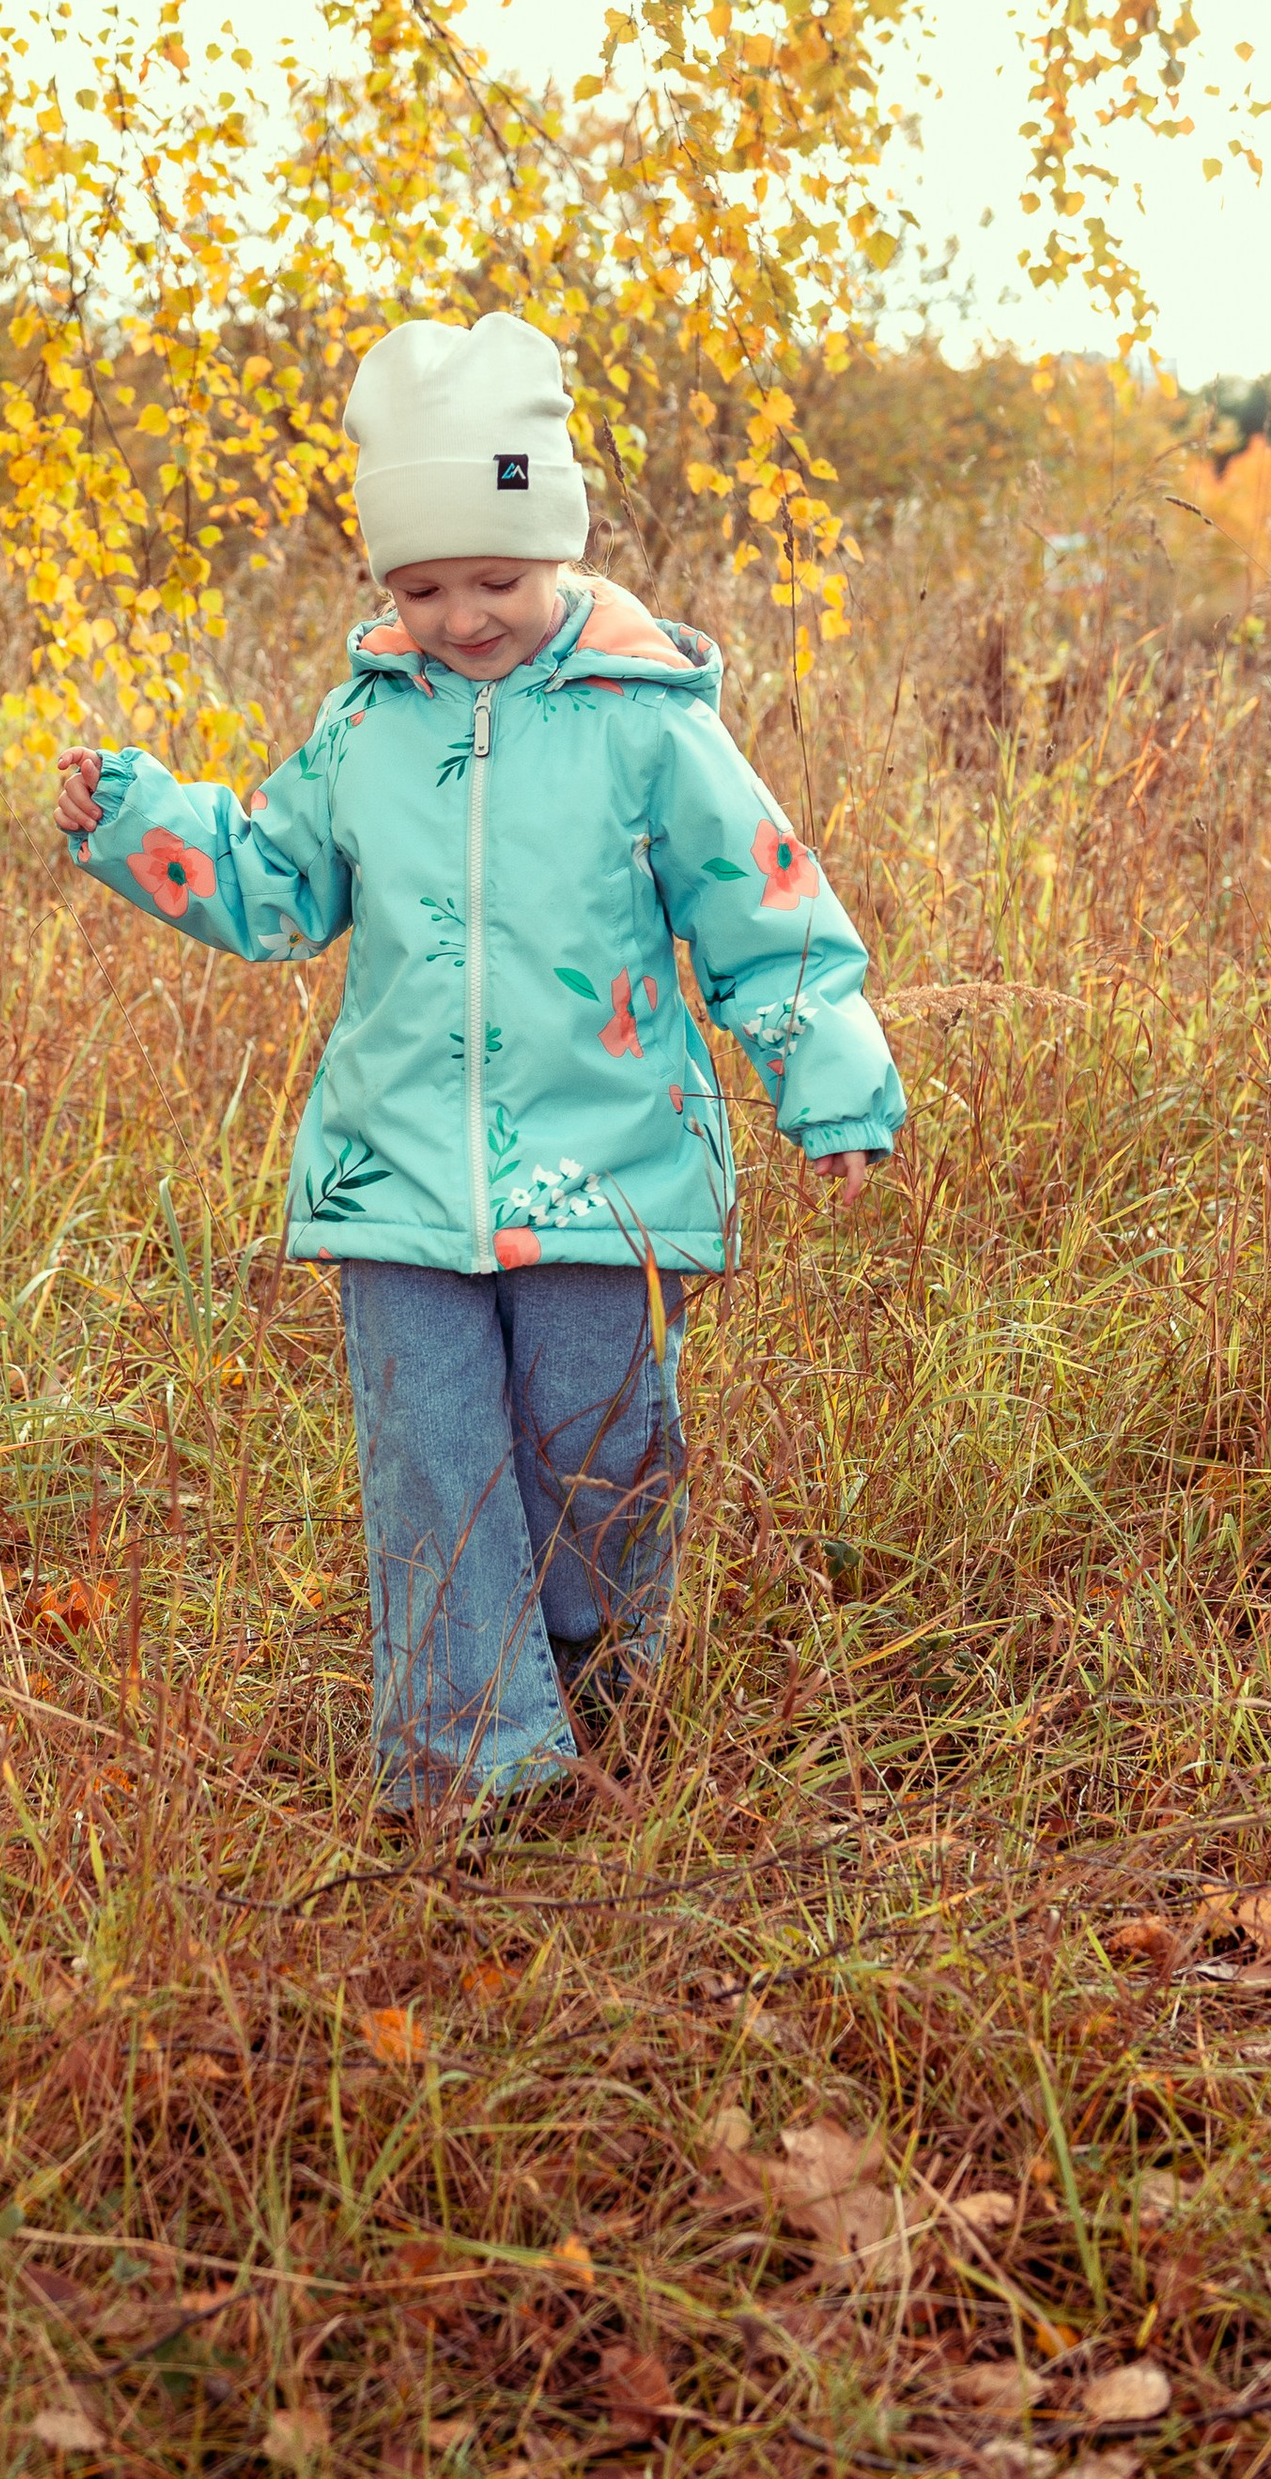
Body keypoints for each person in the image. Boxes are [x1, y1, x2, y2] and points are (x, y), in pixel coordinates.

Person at [56, 312, 904, 1823]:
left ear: (561, 550)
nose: (462, 617)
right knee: (434, 1463)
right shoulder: (365, 729)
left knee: (597, 1453)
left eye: (497, 579)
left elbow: (763, 909)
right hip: (397, 1176)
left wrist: (825, 1081)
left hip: (609, 1169)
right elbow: (272, 888)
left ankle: (601, 1680)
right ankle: (474, 1766)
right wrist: (135, 816)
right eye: (424, 585)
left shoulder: (650, 731)